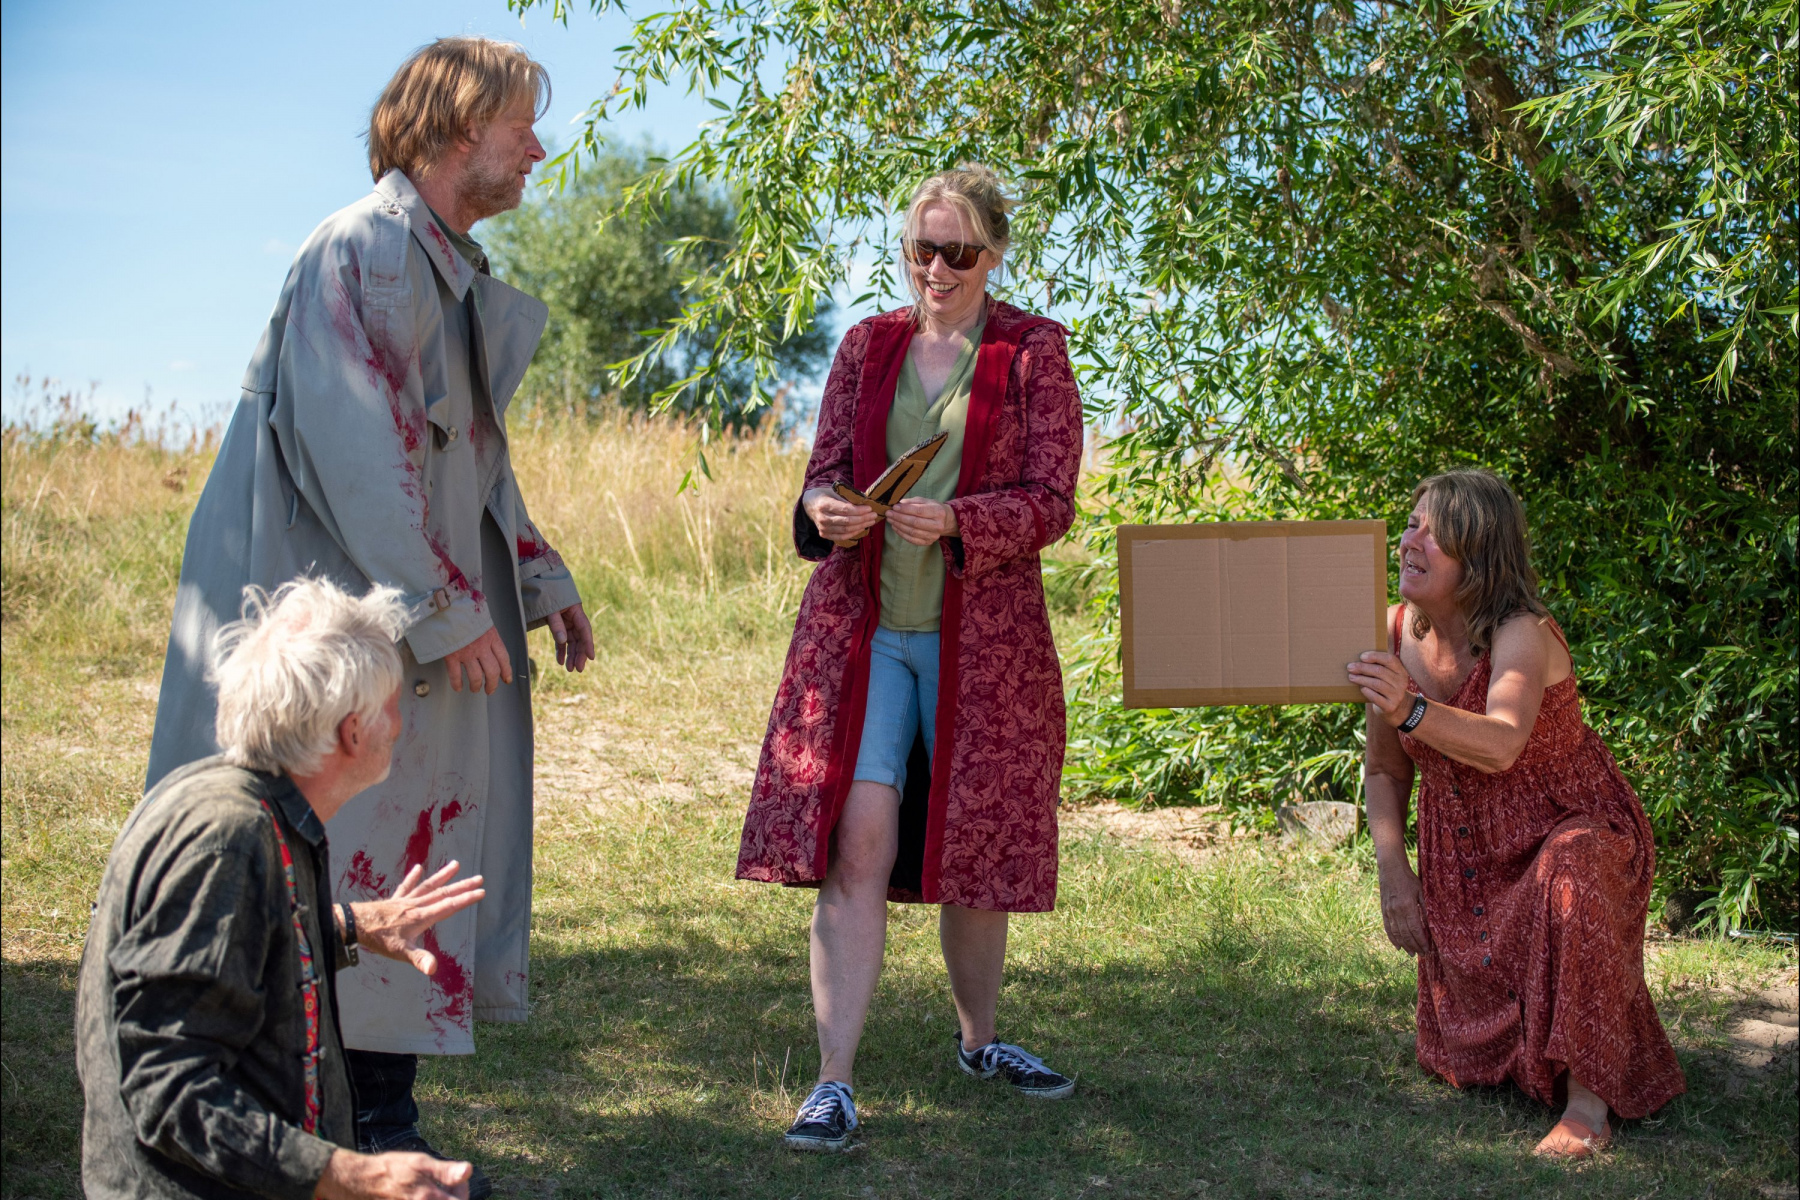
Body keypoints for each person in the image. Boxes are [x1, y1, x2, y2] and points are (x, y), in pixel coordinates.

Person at [141, 38, 593, 1190]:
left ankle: (376, 1114)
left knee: (394, 852)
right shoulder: (366, 251)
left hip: (385, 633)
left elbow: (473, 456)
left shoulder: (440, 265)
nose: (538, 149)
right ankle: (348, 1125)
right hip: (333, 634)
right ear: (458, 128)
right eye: (520, 125)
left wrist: (538, 578)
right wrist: (446, 606)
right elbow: (360, 453)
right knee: (333, 844)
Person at [737, 165, 1085, 1151]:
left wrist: (962, 520)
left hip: (988, 650)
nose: (937, 268)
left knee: (972, 851)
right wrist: (825, 508)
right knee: (859, 842)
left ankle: (980, 1042)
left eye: (958, 251)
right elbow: (822, 476)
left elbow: (1053, 499)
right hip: (864, 639)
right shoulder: (865, 344)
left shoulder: (1034, 351)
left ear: (994, 254)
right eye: (922, 249)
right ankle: (833, 1083)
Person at [79, 579, 488, 1199]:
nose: (402, 724)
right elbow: (166, 1088)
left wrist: (350, 926)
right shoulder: (224, 843)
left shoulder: (246, 801)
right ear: (353, 731)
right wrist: (355, 1174)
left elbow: (231, 953)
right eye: (394, 704)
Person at [1347, 469, 1686, 1159]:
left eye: (1432, 532)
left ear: (1477, 555)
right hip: (1465, 848)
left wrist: (1410, 706)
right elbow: (1384, 769)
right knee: (1464, 1067)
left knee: (1571, 863)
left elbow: (1502, 743)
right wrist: (1393, 872)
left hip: (1567, 823)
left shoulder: (1522, 633)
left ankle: (1587, 1108)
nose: (1409, 541)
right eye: (1410, 524)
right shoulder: (1389, 630)